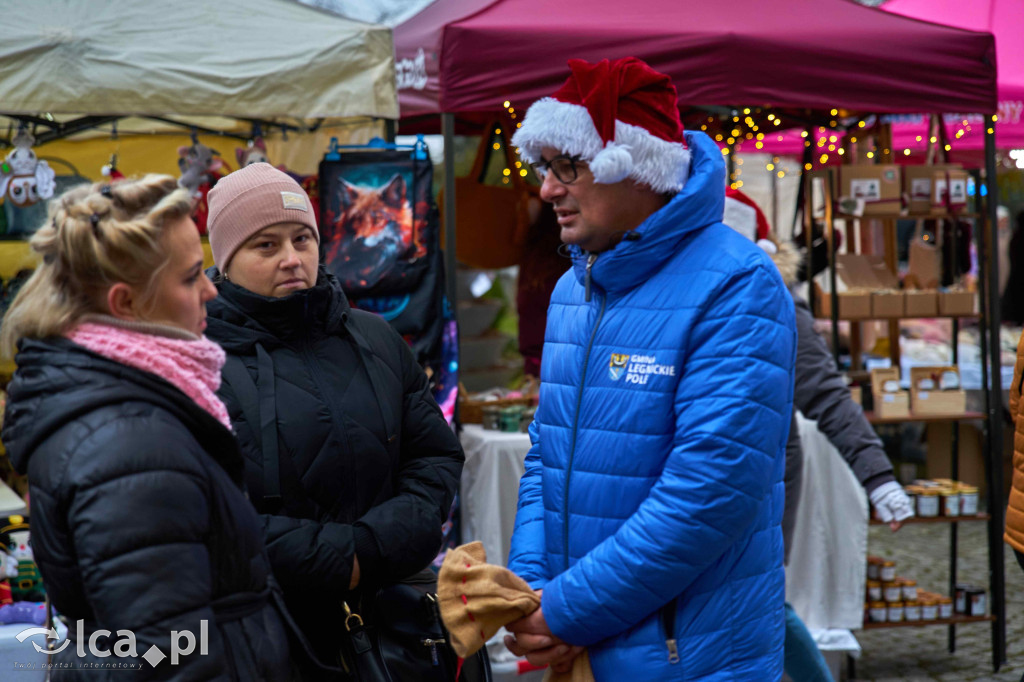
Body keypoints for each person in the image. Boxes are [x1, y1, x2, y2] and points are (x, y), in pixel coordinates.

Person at [502, 57, 797, 680]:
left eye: (568, 167)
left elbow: (710, 491)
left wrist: (564, 611)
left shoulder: (737, 283)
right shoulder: (572, 289)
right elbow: (545, 456)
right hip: (584, 644)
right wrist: (530, 592)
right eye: (545, 168)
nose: (548, 188)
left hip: (688, 656)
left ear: (633, 166)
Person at [0, 176, 295, 678]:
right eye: (188, 278)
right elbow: (169, 657)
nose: (210, 290)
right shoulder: (130, 443)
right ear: (126, 304)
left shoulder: (122, 403)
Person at [203, 163, 464, 678]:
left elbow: (433, 457)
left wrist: (372, 549)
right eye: (265, 245)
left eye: (302, 238)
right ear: (226, 262)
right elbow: (209, 512)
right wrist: (338, 560)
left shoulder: (377, 339)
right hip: (265, 639)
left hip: (393, 631)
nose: (291, 259)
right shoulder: (200, 363)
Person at [726, 188, 914, 682]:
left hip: (757, 472)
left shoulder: (771, 298)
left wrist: (878, 476)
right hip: (683, 478)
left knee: (755, 598)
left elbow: (825, 393)